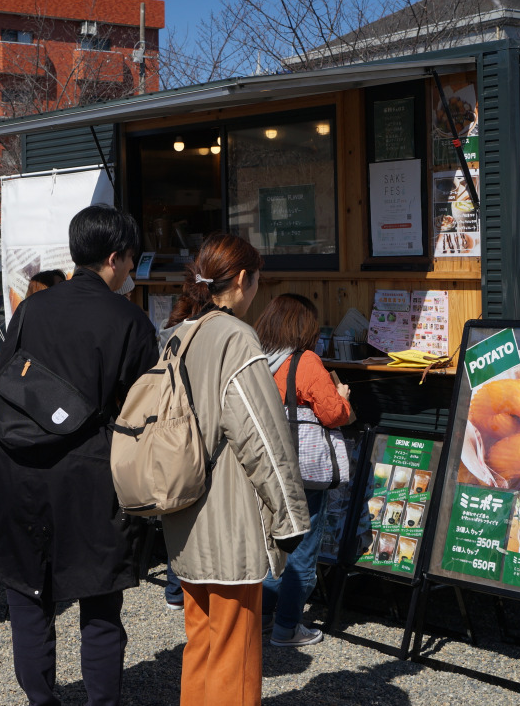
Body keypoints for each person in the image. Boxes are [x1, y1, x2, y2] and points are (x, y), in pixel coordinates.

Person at [0, 204, 158, 706]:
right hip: (90, 473)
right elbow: (143, 409)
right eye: (130, 261)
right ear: (116, 257)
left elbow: (5, 377)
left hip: (15, 463)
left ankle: (41, 698)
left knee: (28, 592)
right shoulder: (130, 320)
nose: (129, 272)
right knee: (100, 602)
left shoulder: (34, 308)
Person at [159, 234, 311, 706]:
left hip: (183, 517)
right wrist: (290, 519)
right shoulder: (236, 338)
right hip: (230, 525)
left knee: (202, 647)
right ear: (243, 279)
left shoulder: (179, 333)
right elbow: (264, 438)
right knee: (235, 661)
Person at [255, 292, 352, 647]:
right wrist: (342, 394)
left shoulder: (259, 358)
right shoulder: (305, 362)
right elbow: (333, 413)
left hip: (266, 466)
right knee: (303, 548)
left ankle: (263, 619)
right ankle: (287, 628)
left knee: (272, 546)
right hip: (303, 472)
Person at [0, 269, 66, 435]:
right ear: (43, 290)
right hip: (31, 406)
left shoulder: (66, 320)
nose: (66, 291)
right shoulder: (26, 317)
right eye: (59, 286)